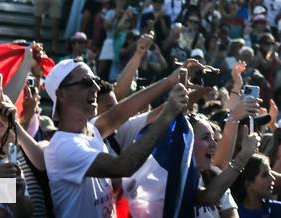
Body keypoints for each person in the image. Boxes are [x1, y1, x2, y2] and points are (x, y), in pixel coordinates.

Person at [42, 58, 191, 217]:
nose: (96, 87)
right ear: (62, 94)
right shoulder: (63, 147)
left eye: (96, 80)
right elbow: (123, 166)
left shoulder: (91, 129)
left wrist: (169, 81)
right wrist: (168, 114)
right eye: (87, 83)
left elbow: (118, 114)